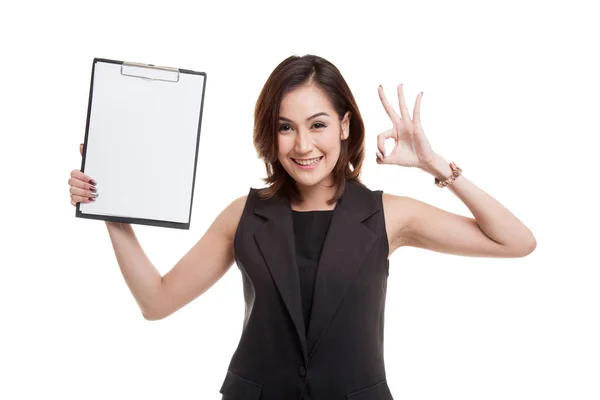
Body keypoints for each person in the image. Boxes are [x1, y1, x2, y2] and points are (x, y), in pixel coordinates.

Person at [68, 54, 536, 400]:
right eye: (286, 127)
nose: (303, 144)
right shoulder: (244, 215)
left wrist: (433, 163)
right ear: (270, 135)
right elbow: (156, 300)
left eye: (318, 125)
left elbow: (517, 241)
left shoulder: (387, 215)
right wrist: (113, 212)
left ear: (345, 126)